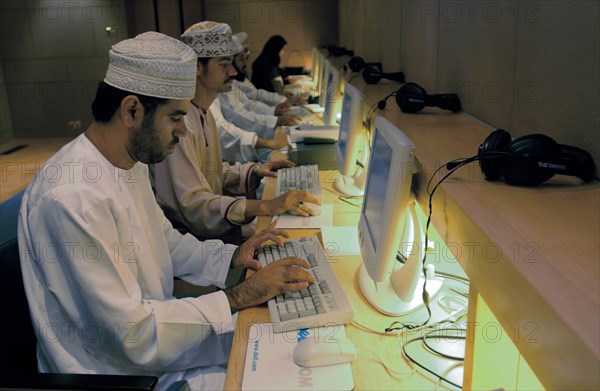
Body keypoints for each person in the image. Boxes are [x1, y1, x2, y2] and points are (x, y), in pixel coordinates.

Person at [17, 31, 314, 390]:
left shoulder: (127, 162)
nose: (184, 130)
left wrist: (235, 257)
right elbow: (132, 335)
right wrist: (239, 296)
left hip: (155, 344)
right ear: (131, 110)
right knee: (278, 375)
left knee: (286, 345)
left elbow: (166, 242)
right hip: (117, 374)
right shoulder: (70, 198)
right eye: (175, 117)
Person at [151, 22, 320, 246]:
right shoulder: (179, 124)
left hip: (213, 227)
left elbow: (209, 173)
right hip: (197, 242)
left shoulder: (203, 111)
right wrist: (265, 206)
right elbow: (195, 205)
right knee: (289, 240)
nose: (233, 71)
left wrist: (256, 170)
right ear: (196, 68)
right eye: (224, 65)